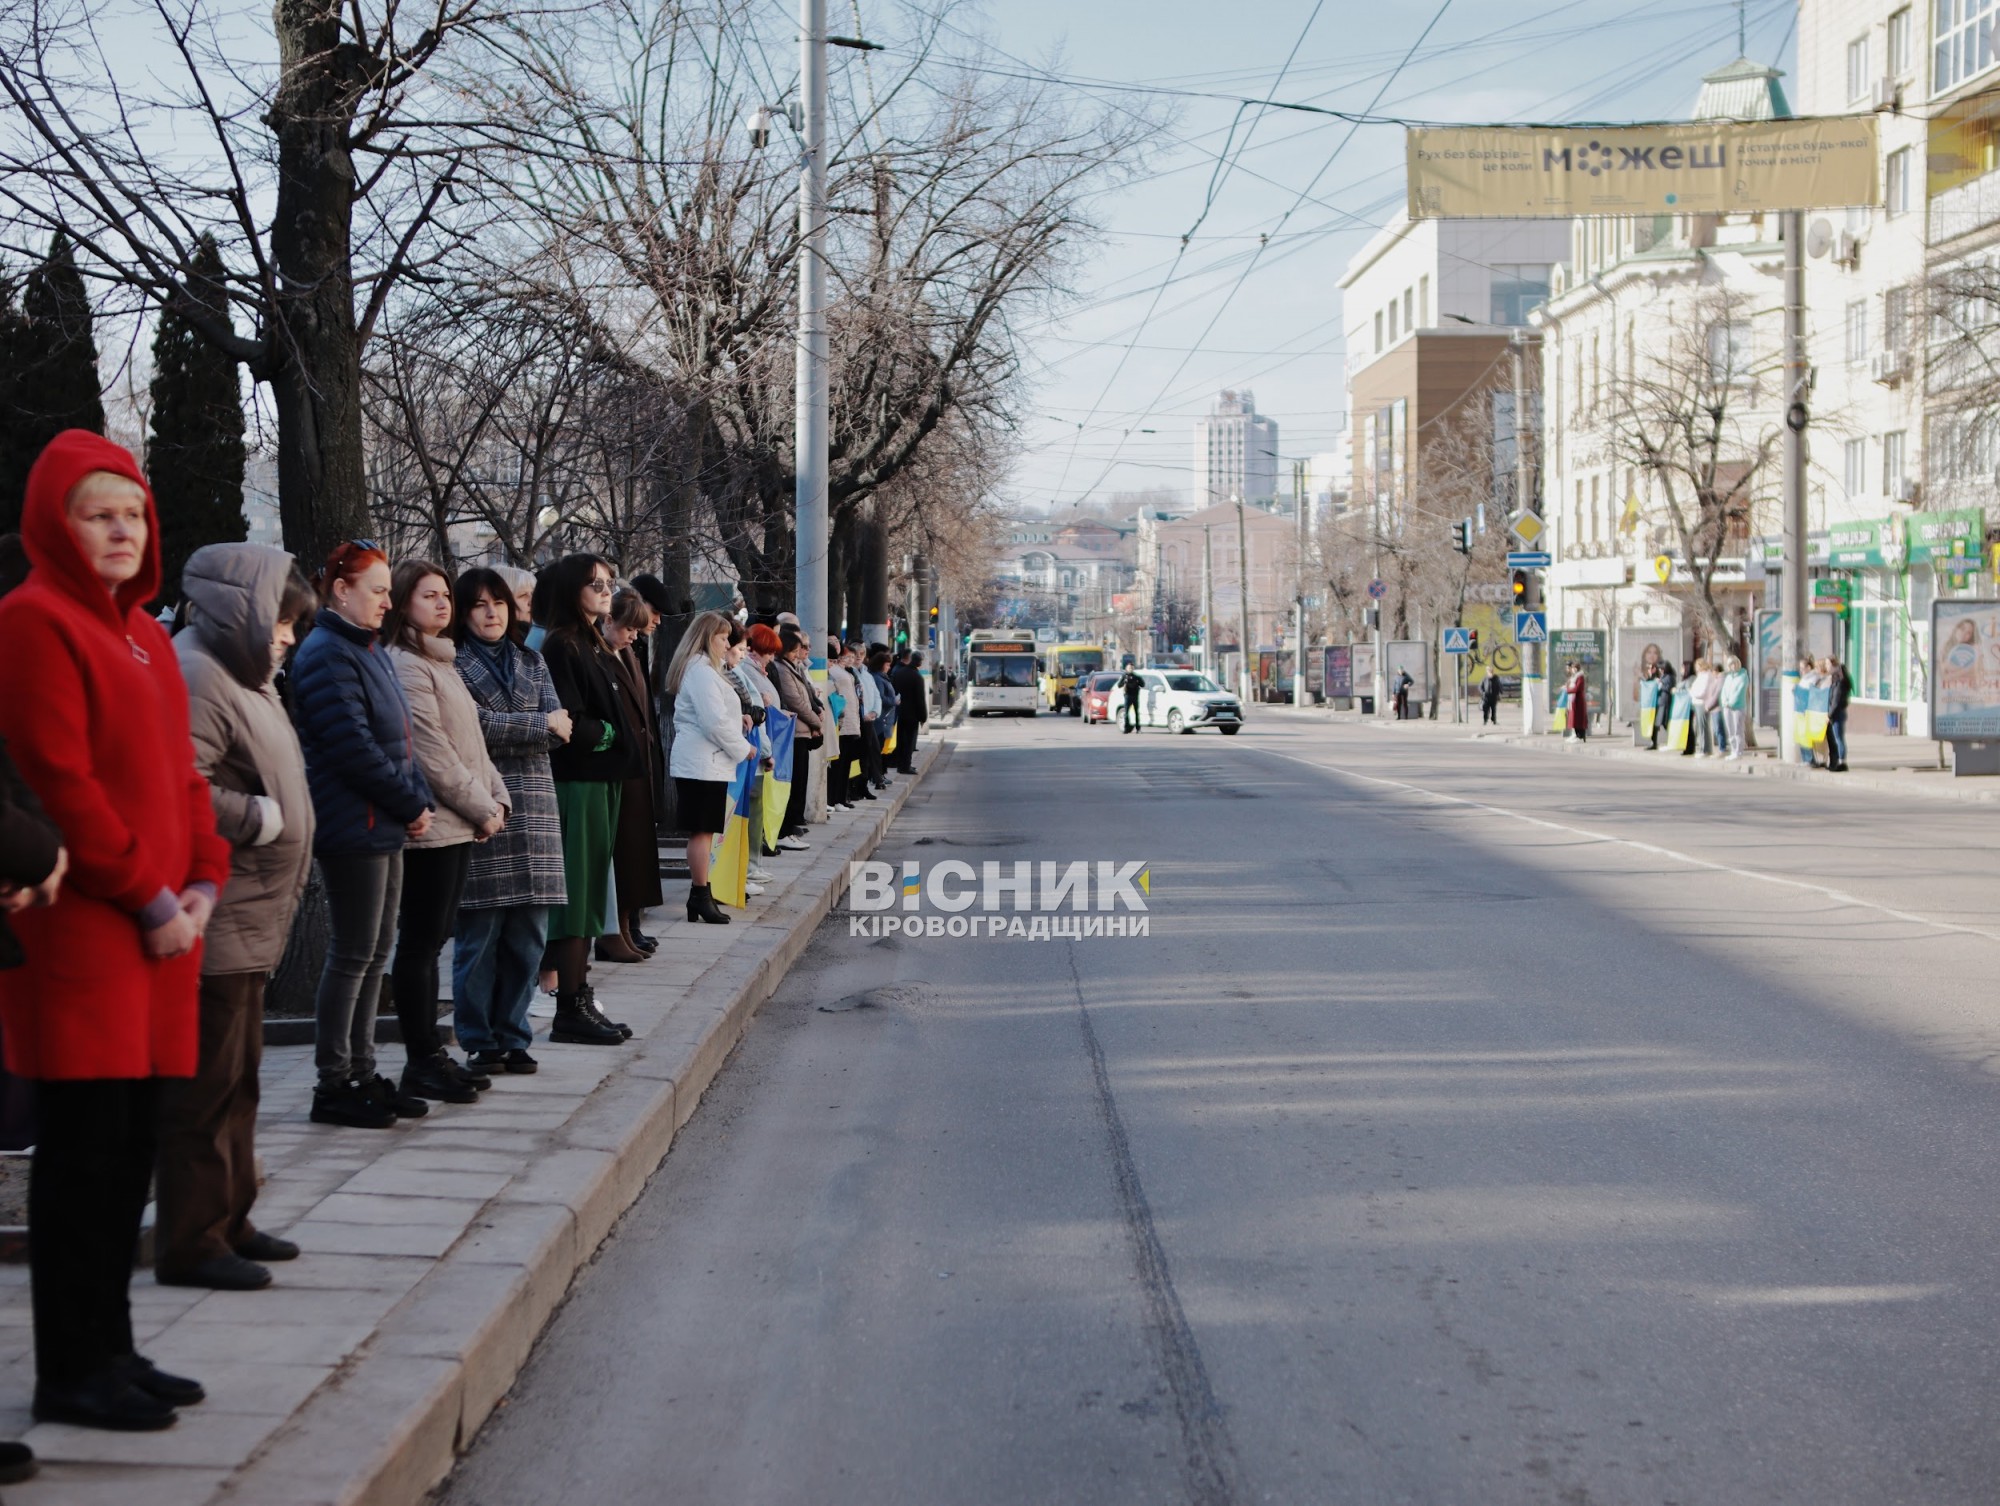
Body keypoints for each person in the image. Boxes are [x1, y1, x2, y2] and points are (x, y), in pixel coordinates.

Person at [0, 430, 230, 1431]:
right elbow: (61, 782)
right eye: (98, 514)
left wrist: (205, 882)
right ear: (56, 523)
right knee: (83, 1158)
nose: (121, 531)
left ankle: (115, 1345)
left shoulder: (143, 635)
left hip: (165, 933)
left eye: (132, 513)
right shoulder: (32, 620)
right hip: (92, 933)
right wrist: (147, 897)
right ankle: (69, 1366)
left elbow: (181, 777)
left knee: (133, 1148)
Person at [155, 545, 318, 1294]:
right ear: (245, 608)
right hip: (218, 908)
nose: (287, 636)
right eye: (282, 620)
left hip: (253, 911)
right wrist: (255, 819)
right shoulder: (198, 672)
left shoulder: (245, 672)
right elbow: (179, 786)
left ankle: (232, 1215)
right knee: (205, 1086)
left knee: (241, 1078)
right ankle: (192, 1238)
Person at [292, 541, 436, 1129]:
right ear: (340, 590)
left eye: (387, 590)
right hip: (355, 823)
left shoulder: (367, 647)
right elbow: (352, 746)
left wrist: (417, 798)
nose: (386, 601)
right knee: (353, 954)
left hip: (385, 820)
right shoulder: (327, 653)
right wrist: (408, 803)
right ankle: (335, 1083)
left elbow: (400, 738)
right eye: (376, 590)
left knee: (376, 953)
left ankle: (363, 1069)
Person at [385, 561, 509, 1105]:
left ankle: (433, 1056)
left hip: (462, 822)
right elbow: (433, 754)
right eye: (427, 595)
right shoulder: (408, 666)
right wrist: (483, 808)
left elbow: (473, 745)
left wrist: (496, 797)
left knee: (432, 941)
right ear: (400, 602)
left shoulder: (442, 660)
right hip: (434, 826)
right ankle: (422, 1058)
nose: (442, 604)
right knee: (419, 943)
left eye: (444, 595)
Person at [450, 568, 570, 1076]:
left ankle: (515, 1034)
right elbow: (470, 729)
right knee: (479, 939)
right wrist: (538, 725)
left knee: (528, 939)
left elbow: (561, 728)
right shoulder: (452, 664)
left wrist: (541, 728)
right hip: (484, 809)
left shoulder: (532, 659)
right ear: (463, 612)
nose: (491, 612)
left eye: (497, 602)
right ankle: (480, 1039)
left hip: (537, 810)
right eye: (478, 604)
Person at [533, 555, 638, 1045]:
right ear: (571, 589)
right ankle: (569, 1006)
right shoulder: (563, 645)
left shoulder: (592, 642)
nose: (604, 590)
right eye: (594, 583)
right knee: (577, 893)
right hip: (578, 781)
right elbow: (572, 723)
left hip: (602, 779)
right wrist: (613, 733)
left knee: (593, 889)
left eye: (608, 583)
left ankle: (579, 995)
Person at [667, 612, 757, 923]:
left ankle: (700, 895)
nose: (726, 644)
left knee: (704, 831)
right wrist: (743, 748)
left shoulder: (704, 669)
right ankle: (700, 894)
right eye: (722, 638)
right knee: (702, 832)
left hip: (707, 761)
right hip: (703, 762)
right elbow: (713, 721)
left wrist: (740, 719)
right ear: (707, 637)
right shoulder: (702, 671)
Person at [601, 588, 664, 958]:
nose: (634, 636)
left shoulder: (628, 653)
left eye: (638, 632)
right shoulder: (601, 655)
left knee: (635, 851)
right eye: (629, 629)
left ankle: (626, 926)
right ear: (609, 621)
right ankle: (616, 931)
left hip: (638, 762)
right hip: (619, 762)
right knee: (622, 852)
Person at [768, 624, 824, 847]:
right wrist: (815, 720)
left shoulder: (793, 668)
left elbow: (807, 697)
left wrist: (816, 714)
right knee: (793, 783)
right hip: (795, 732)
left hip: (802, 730)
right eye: (794, 650)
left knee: (799, 783)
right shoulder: (783, 669)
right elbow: (796, 701)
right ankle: (785, 831)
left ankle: (791, 827)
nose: (798, 654)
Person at [826, 641, 861, 808]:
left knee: (845, 762)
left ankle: (840, 797)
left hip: (850, 721)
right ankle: (834, 799)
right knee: (838, 764)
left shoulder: (844, 671)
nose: (850, 659)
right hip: (842, 722)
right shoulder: (833, 671)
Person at [866, 644, 898, 789]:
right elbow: (880, 697)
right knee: (876, 751)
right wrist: (894, 701)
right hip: (880, 720)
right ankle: (876, 777)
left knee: (880, 750)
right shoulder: (878, 679)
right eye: (887, 665)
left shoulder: (882, 677)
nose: (889, 667)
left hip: (884, 719)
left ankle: (879, 776)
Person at [889, 649, 927, 771]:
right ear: (919, 662)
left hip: (899, 712)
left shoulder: (899, 672)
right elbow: (920, 699)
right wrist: (923, 717)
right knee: (910, 742)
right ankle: (906, 766)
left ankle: (900, 764)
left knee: (900, 740)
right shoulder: (917, 676)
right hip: (912, 715)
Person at [1824, 654, 1853, 773]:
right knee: (1837, 738)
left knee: (1838, 738)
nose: (1826, 666)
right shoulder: (1836, 677)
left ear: (1833, 664)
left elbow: (1836, 701)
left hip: (1837, 713)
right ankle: (1838, 762)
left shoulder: (1839, 679)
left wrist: (1829, 715)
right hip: (1837, 712)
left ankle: (1842, 763)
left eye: (1827, 664)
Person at [1689, 657, 1721, 757]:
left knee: (1703, 727)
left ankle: (1705, 749)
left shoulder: (1707, 676)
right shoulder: (1701, 676)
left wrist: (1692, 693)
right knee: (1701, 726)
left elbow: (1703, 691)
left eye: (1698, 665)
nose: (1696, 668)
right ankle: (1705, 748)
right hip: (1697, 702)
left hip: (1702, 703)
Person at [1720, 654, 1749, 760]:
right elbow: (1724, 691)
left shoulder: (1743, 676)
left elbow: (1740, 691)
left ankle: (1739, 751)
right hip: (1727, 707)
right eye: (1730, 664)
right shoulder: (1728, 677)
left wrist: (1731, 702)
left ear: (1738, 663)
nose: (1733, 666)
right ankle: (1733, 750)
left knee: (1738, 729)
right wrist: (1725, 702)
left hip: (1738, 706)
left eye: (1734, 663)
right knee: (1730, 729)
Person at [1565, 660, 1588, 742]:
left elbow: (1577, 688)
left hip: (1579, 701)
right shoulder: (1574, 677)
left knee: (1578, 719)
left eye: (1574, 668)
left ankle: (1580, 736)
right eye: (1573, 668)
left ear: (1577, 668)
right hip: (1573, 700)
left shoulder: (1580, 677)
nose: (1573, 669)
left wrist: (1568, 690)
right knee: (1573, 718)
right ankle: (1575, 734)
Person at [1118, 666, 1144, 733]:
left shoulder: (1136, 676)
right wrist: (1124, 682)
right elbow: (1119, 685)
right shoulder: (1124, 676)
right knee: (1126, 713)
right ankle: (1126, 728)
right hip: (1127, 696)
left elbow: (1143, 684)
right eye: (1129, 668)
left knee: (1136, 713)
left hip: (1135, 696)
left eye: (1132, 668)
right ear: (1126, 669)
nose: (1131, 669)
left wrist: (1138, 682)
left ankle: (1138, 728)